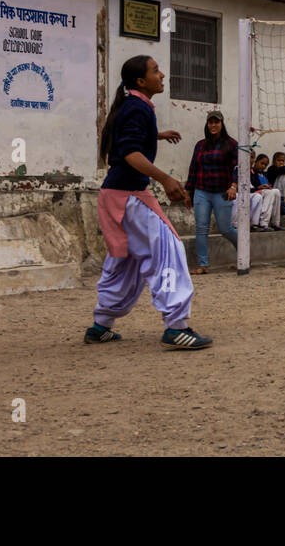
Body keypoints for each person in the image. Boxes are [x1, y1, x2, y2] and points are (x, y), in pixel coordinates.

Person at [85, 55, 212, 350]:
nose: (162, 74)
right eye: (156, 71)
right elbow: (129, 152)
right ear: (141, 81)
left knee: (125, 261)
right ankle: (176, 326)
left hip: (114, 195)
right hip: (129, 195)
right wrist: (166, 179)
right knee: (169, 250)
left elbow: (126, 140)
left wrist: (157, 135)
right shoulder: (138, 107)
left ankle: (101, 325)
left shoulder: (132, 105)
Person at [183, 110, 238, 274]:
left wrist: (234, 186)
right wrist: (188, 191)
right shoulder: (200, 145)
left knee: (225, 228)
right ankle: (202, 264)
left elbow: (237, 167)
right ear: (207, 125)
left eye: (217, 122)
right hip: (202, 191)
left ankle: (244, 252)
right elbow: (193, 168)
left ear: (222, 124)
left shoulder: (231, 144)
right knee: (201, 228)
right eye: (210, 122)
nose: (213, 125)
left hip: (223, 192)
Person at [249, 154, 284, 231]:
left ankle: (275, 223)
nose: (264, 166)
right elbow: (249, 187)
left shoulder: (264, 174)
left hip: (262, 191)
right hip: (254, 193)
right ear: (256, 162)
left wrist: (268, 186)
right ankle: (263, 223)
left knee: (277, 191)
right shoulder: (252, 172)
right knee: (269, 193)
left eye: (265, 165)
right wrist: (259, 187)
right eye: (262, 163)